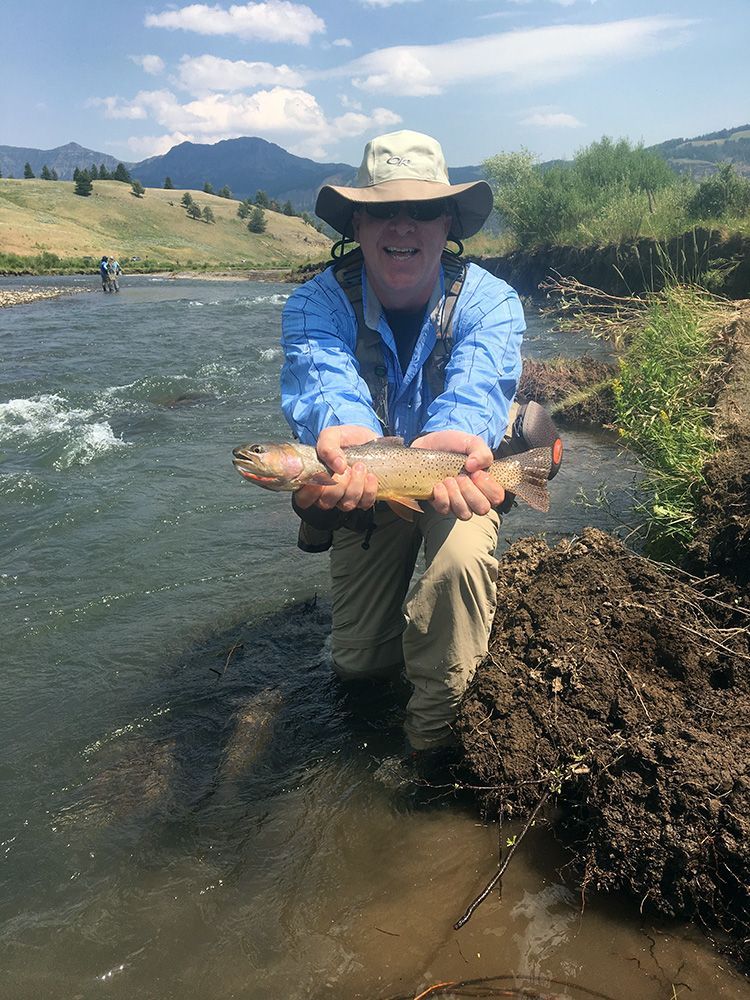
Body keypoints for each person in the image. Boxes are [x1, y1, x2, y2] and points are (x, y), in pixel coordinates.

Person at [280, 130, 525, 777]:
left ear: (449, 223)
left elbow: (479, 386)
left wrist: (465, 435)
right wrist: (348, 441)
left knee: (459, 567)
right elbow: (325, 386)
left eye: (421, 210)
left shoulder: (491, 302)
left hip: (453, 475)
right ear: (357, 224)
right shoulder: (314, 304)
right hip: (369, 481)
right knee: (359, 665)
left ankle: (431, 746)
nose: (402, 226)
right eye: (384, 211)